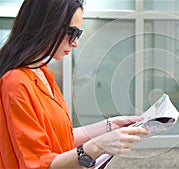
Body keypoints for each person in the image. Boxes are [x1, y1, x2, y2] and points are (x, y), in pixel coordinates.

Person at [0, 0, 149, 168]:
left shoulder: (42, 73)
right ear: (46, 25)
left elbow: (62, 137)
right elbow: (38, 163)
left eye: (78, 34)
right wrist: (97, 146)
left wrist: (110, 125)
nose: (75, 43)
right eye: (72, 33)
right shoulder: (15, 82)